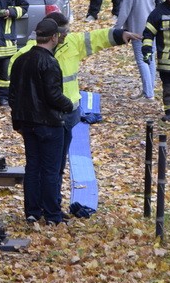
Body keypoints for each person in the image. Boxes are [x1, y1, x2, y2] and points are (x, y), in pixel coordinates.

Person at [13, 12, 138, 204]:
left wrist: (119, 35)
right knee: (52, 167)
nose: (67, 34)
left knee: (38, 166)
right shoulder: (31, 53)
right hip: (55, 115)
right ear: (55, 34)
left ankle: (37, 209)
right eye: (64, 31)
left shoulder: (37, 51)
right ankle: (51, 208)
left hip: (51, 116)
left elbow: (96, 38)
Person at [9, 18, 75, 225]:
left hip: (27, 123)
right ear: (54, 37)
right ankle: (52, 214)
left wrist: (17, 121)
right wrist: (69, 105)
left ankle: (32, 211)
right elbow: (53, 95)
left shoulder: (21, 60)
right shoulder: (50, 62)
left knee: (33, 167)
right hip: (48, 123)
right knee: (50, 170)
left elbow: (13, 94)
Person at [116, 0, 160, 99]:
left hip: (137, 30)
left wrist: (117, 28)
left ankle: (149, 93)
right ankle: (149, 89)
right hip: (153, 29)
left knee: (142, 60)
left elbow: (125, 9)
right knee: (151, 59)